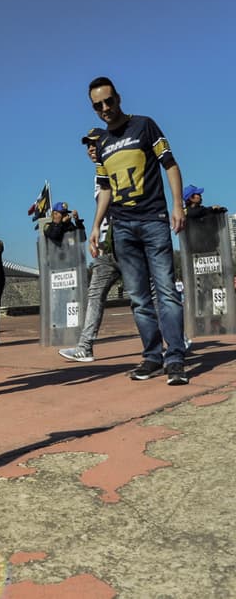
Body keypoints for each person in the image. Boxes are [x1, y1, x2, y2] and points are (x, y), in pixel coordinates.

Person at [86, 77, 189, 385]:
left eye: (109, 101)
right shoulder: (102, 143)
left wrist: (177, 205)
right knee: (139, 298)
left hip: (154, 219)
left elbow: (169, 164)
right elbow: (104, 188)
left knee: (167, 291)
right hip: (122, 227)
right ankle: (152, 356)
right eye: (98, 105)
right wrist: (95, 226)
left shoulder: (145, 125)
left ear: (118, 98)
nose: (105, 108)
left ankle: (176, 358)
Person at [59, 129, 124, 363]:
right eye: (88, 146)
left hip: (127, 242)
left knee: (150, 294)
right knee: (94, 295)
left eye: (95, 144)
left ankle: (175, 339)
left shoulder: (119, 164)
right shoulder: (98, 174)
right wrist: (98, 230)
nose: (90, 149)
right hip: (107, 246)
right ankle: (84, 347)